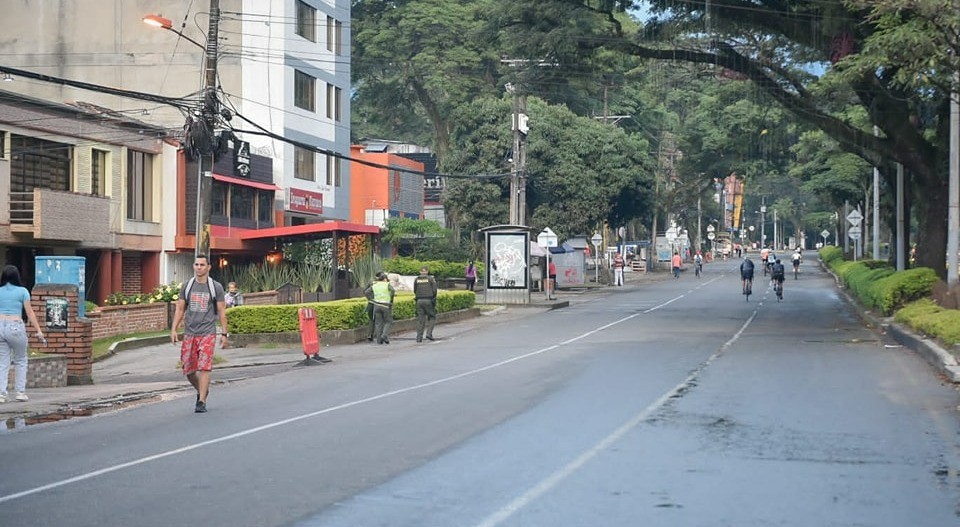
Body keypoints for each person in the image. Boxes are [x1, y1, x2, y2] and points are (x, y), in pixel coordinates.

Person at [170, 255, 228, 413]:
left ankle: (201, 401)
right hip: (190, 333)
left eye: (202, 265)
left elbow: (222, 311)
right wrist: (174, 329)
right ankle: (202, 389)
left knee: (204, 367)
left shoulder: (215, 287)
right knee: (188, 370)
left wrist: (224, 333)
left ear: (209, 267)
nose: (199, 267)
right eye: (196, 264)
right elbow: (180, 309)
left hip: (207, 332)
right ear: (193, 266)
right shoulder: (187, 286)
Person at [0, 265, 44, 403]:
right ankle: (20, 392)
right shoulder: (22, 291)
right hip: (15, 326)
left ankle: (1, 393)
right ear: (17, 276)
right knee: (20, 359)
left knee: (2, 362)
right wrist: (39, 330)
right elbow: (29, 312)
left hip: (0, 325)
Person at [364, 271, 394, 344]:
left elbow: (366, 292)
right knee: (388, 321)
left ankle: (378, 340)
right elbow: (392, 290)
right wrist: (391, 299)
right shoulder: (387, 285)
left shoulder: (375, 285)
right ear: (384, 279)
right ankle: (384, 336)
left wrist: (371, 299)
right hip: (385, 305)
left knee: (378, 323)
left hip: (376, 305)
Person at [413, 266, 438, 342]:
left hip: (419, 301)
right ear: (427, 271)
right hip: (428, 300)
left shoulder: (416, 279)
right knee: (432, 317)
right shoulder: (430, 279)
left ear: (420, 271)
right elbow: (435, 290)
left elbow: (415, 290)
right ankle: (429, 334)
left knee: (420, 319)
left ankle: (419, 337)